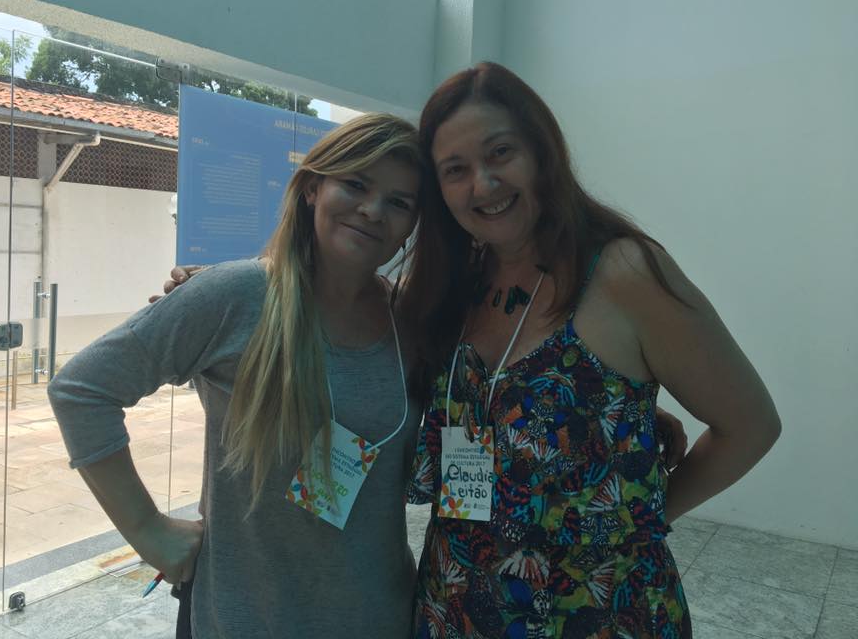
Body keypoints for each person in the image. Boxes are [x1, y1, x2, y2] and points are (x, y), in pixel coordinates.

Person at [398, 62, 781, 638]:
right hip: (455, 607)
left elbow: (751, 426)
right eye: (456, 170)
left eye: (500, 153)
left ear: (542, 151)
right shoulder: (454, 283)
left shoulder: (623, 271)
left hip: (592, 612)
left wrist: (644, 520)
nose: (483, 184)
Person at [48, 113, 432, 639]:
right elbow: (82, 390)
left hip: (380, 618)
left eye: (399, 202)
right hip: (246, 617)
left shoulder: (409, 321)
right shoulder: (238, 295)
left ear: (412, 224)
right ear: (313, 188)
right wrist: (148, 531)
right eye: (356, 184)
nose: (373, 210)